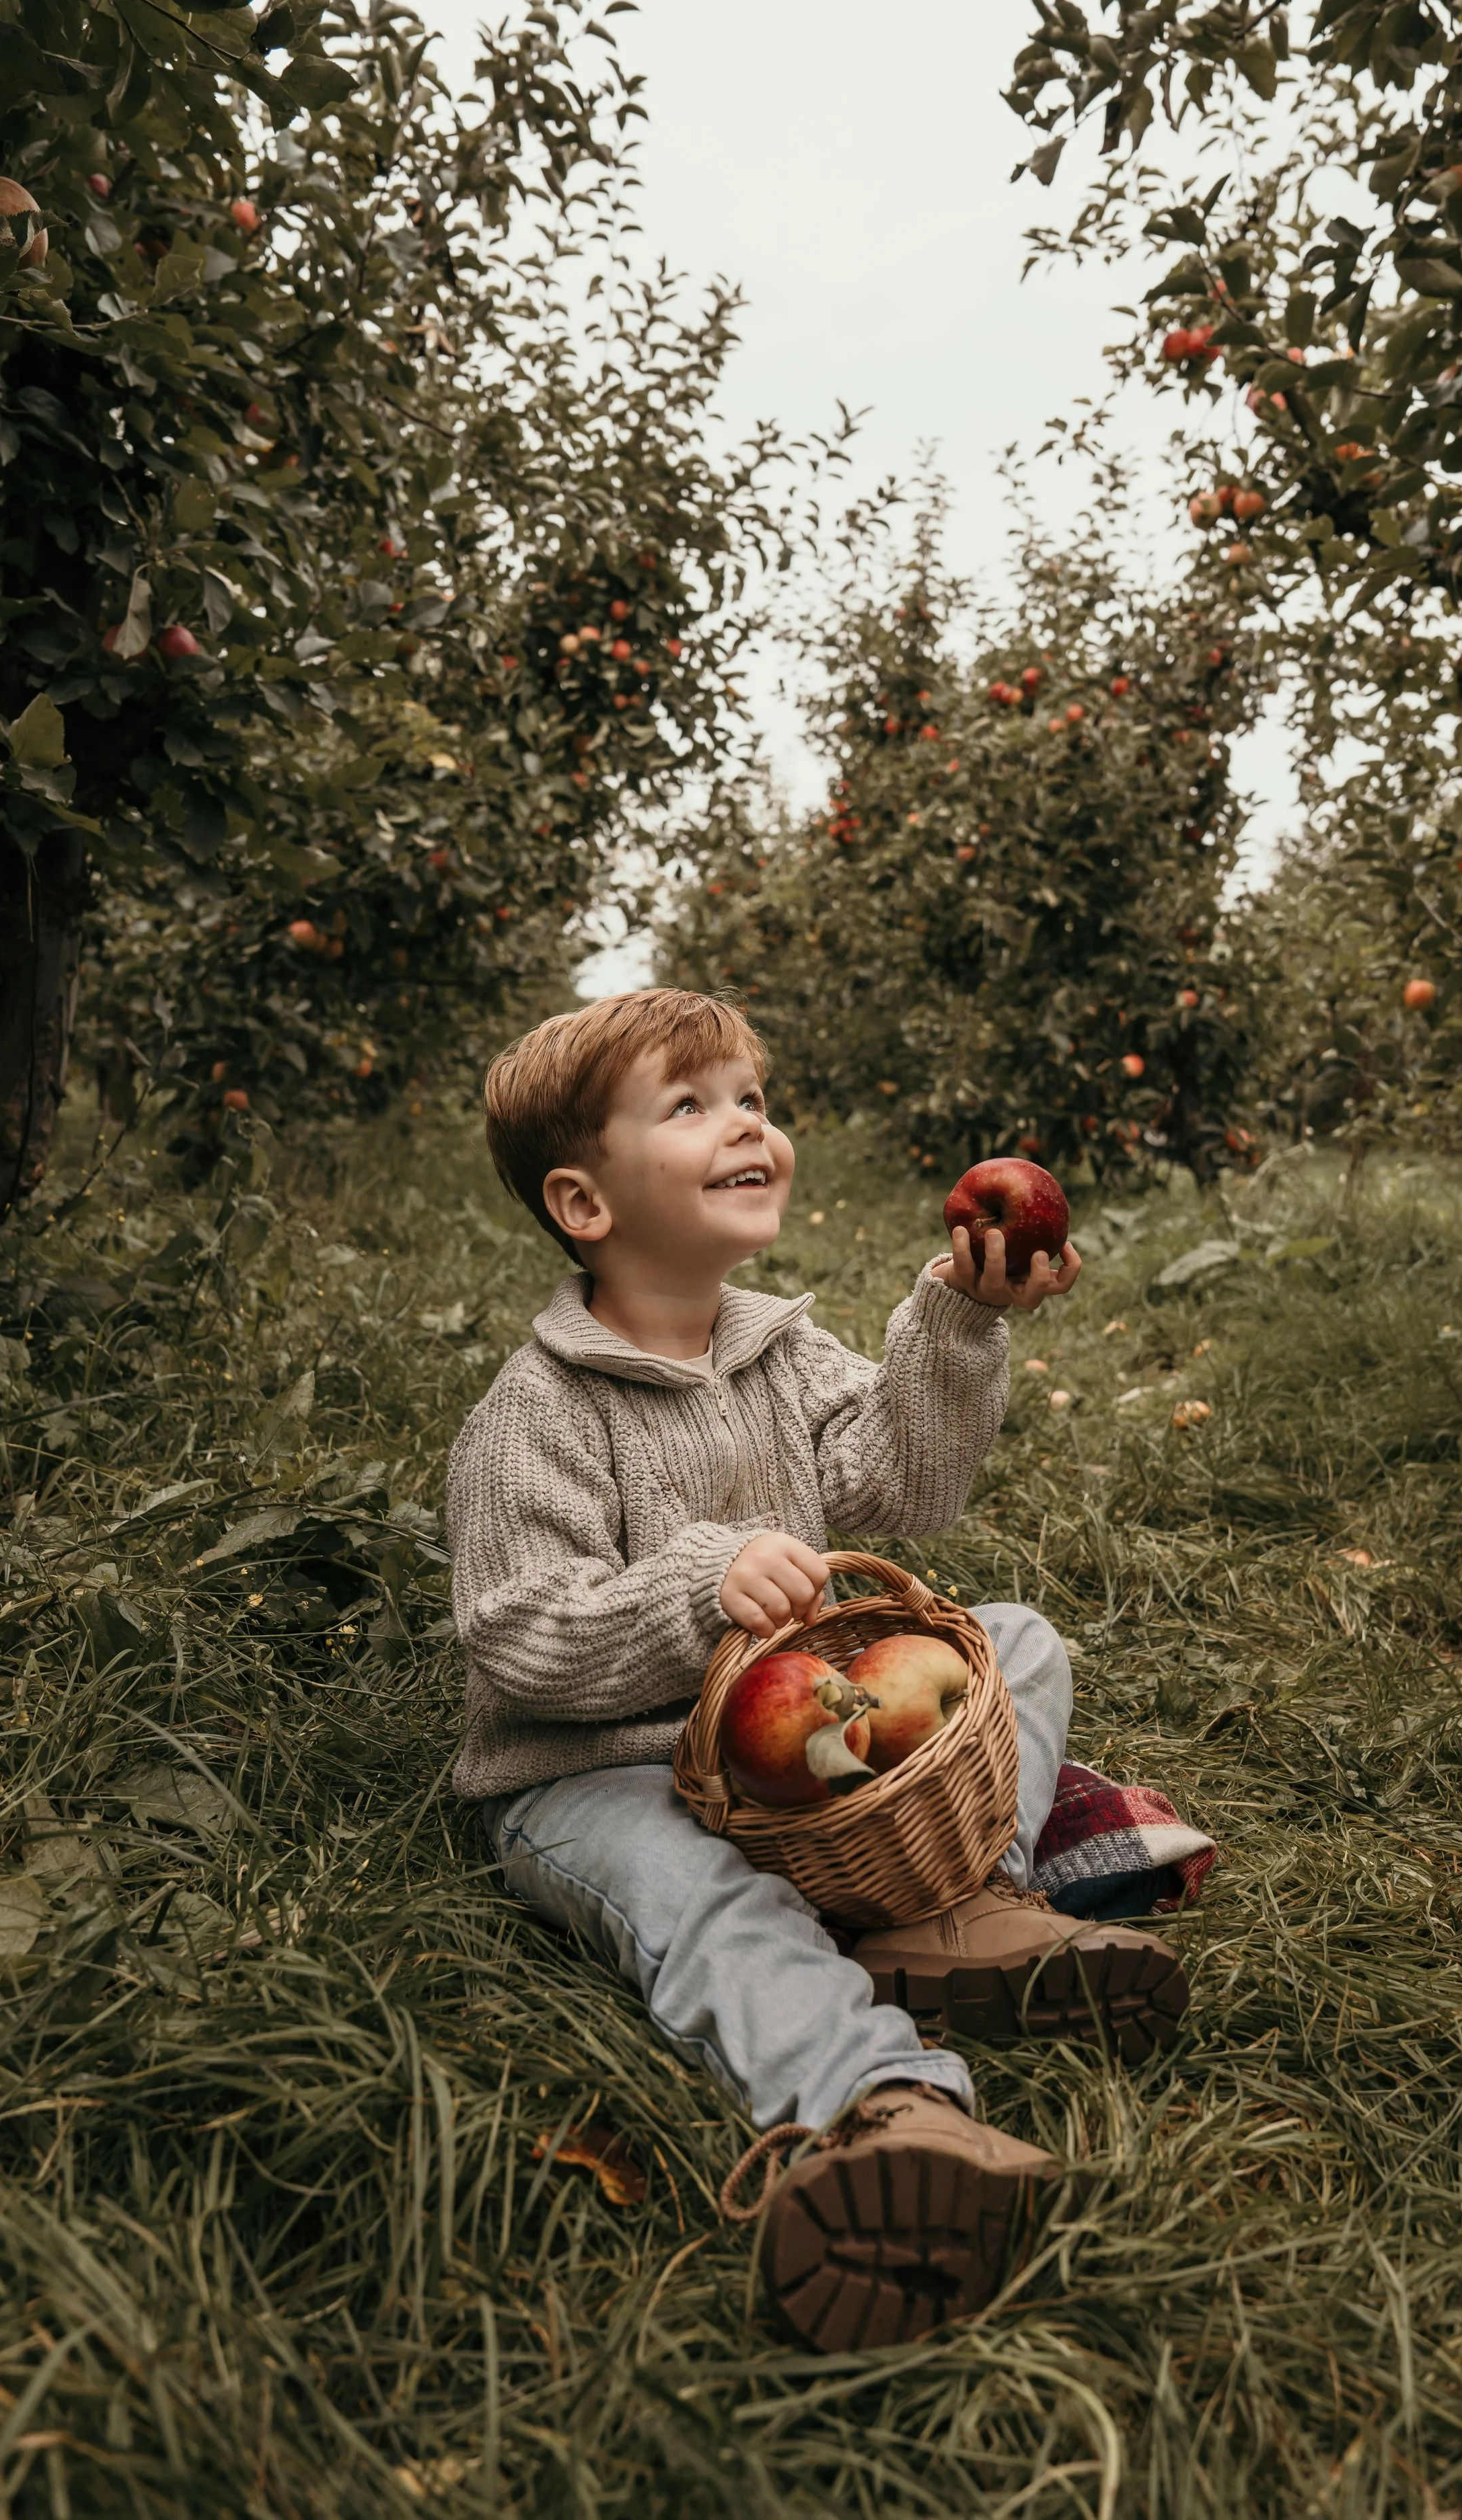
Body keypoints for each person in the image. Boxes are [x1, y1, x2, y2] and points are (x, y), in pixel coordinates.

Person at [449, 988, 1188, 2352]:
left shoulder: (777, 1351)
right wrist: (692, 1589)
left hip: (798, 1765)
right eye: (691, 1105)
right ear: (584, 1201)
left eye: (751, 1099)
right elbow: (517, 1636)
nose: (749, 1126)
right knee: (706, 1907)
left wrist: (957, 1318)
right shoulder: (538, 1412)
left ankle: (950, 1907)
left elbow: (905, 1482)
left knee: (1012, 1637)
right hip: (602, 1777)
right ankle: (885, 2106)